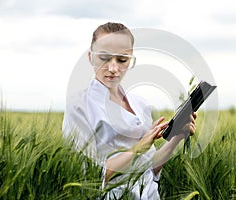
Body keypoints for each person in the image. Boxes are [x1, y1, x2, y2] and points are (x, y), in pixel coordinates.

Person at [62, 22, 197, 199]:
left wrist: (177, 136)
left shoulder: (139, 105)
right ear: (90, 57)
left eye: (122, 60)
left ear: (131, 60)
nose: (113, 68)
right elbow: (89, 176)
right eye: (104, 58)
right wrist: (137, 149)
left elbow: (149, 167)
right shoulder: (79, 105)